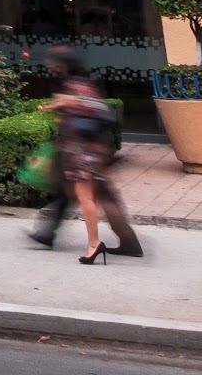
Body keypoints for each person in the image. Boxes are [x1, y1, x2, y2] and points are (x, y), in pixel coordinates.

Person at [44, 45, 140, 262]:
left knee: (87, 198)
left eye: (54, 63)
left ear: (63, 65)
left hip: (83, 154)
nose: (51, 67)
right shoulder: (81, 84)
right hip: (91, 153)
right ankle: (127, 243)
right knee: (101, 197)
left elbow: (87, 111)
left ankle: (95, 244)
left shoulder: (74, 86)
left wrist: (64, 104)